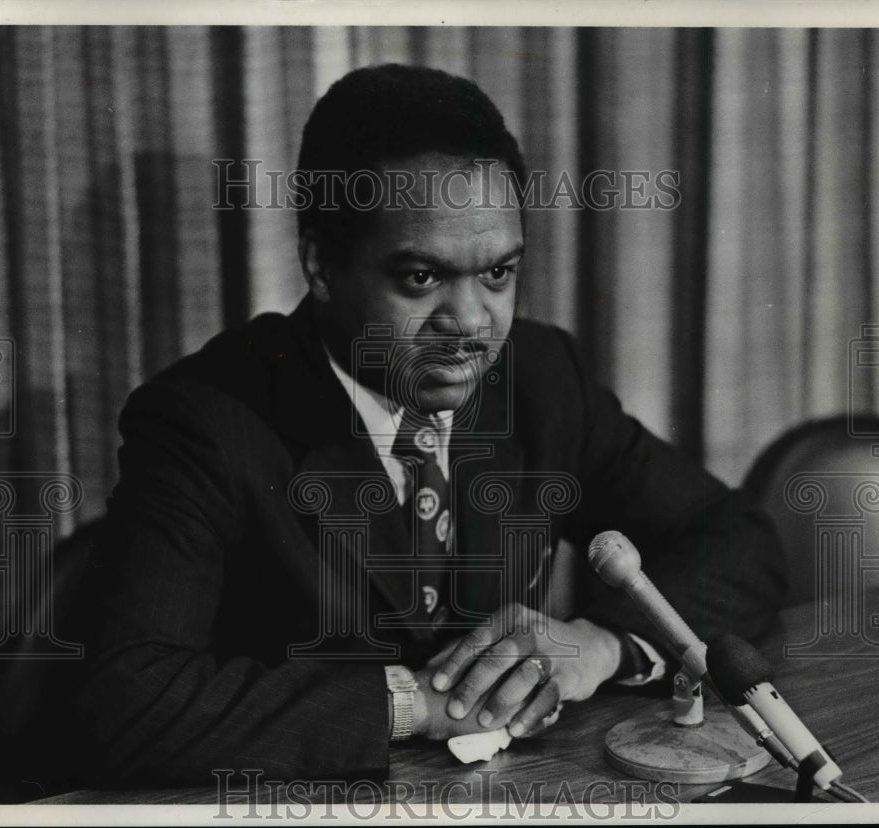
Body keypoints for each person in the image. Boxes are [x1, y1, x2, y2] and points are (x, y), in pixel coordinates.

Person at [75, 63, 786, 786]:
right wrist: (415, 704)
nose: (472, 324)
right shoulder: (205, 419)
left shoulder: (541, 376)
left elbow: (738, 538)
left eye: (499, 274)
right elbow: (130, 697)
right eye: (421, 278)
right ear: (320, 263)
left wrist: (602, 644)